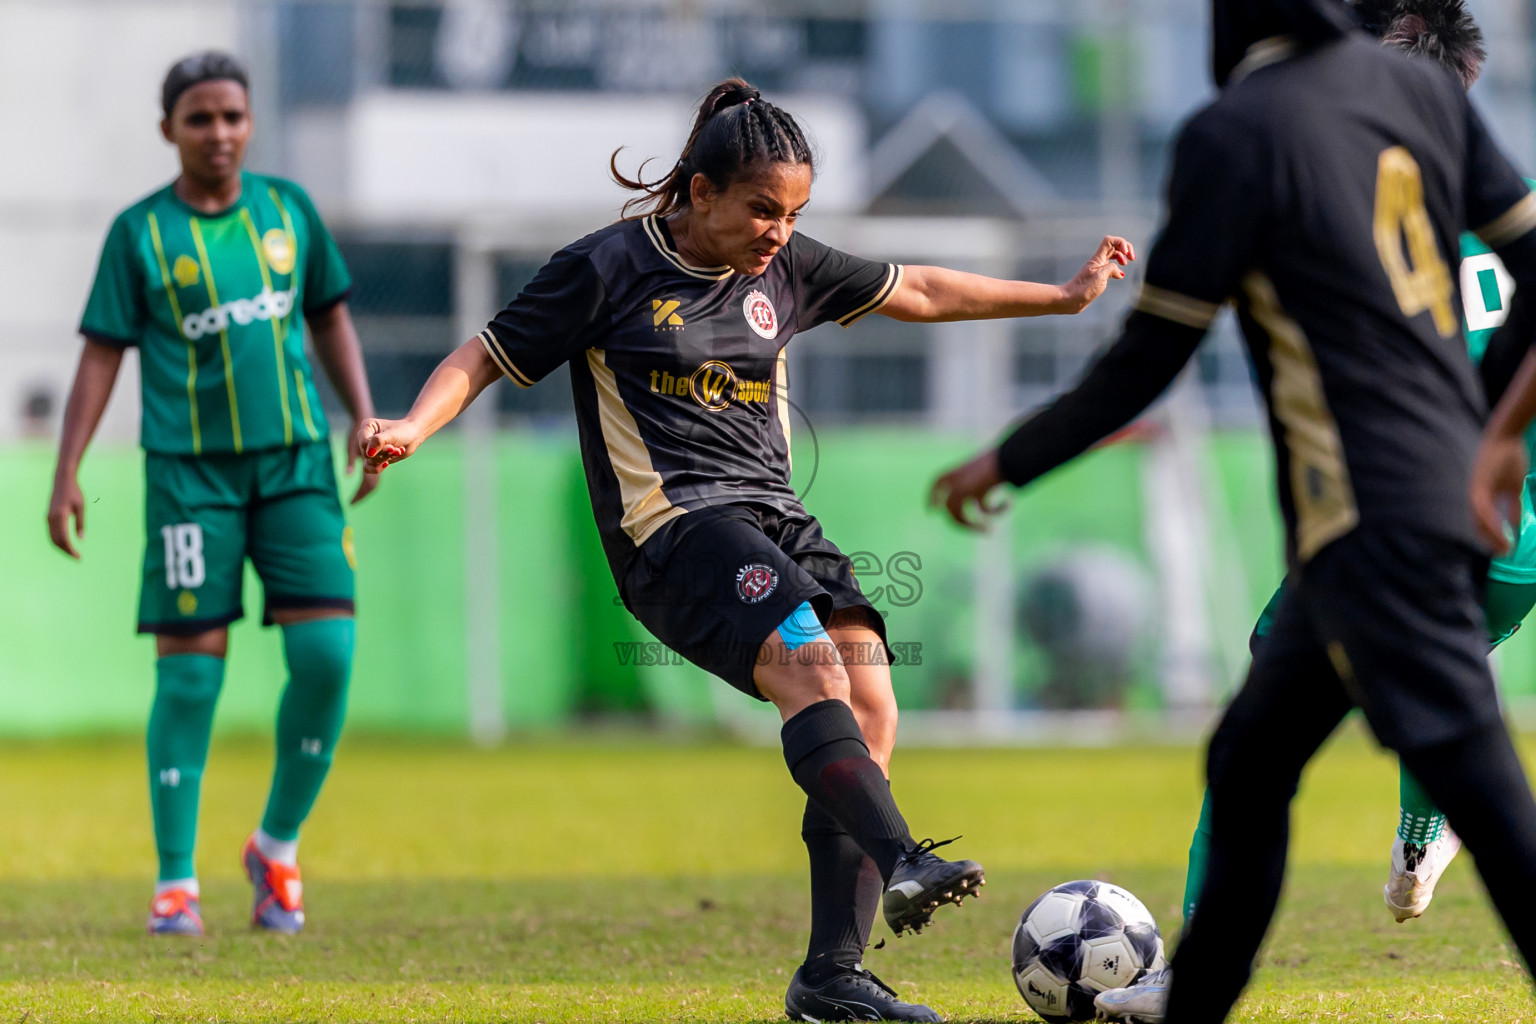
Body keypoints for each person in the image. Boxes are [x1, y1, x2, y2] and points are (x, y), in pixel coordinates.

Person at [356, 78, 1133, 1023]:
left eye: (794, 212)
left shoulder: (787, 269)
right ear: (698, 194)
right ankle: (905, 861)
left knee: (871, 690)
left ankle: (833, 978)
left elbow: (920, 289)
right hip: (673, 527)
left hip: (773, 512)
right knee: (810, 666)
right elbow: (483, 352)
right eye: (763, 208)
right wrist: (413, 426)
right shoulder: (605, 270)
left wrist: (1060, 297)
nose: (779, 229)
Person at [931, 0, 1536, 1021]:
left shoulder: (1235, 132)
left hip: (1378, 518)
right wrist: (1503, 436)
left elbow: (1151, 356)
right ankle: (1192, 999)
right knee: (1251, 759)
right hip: (1390, 518)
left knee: (1467, 771)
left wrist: (1013, 455)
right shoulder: (1418, 95)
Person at [48, 52, 378, 937]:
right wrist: (66, 468)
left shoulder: (288, 211)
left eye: (232, 116)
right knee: (191, 675)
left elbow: (330, 314)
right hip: (190, 476)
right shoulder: (139, 234)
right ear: (170, 131)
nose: (220, 133)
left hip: (298, 464)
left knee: (328, 659)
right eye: (200, 118)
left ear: (251, 123)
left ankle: (275, 848)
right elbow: (100, 354)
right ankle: (174, 883)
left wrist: (364, 416)